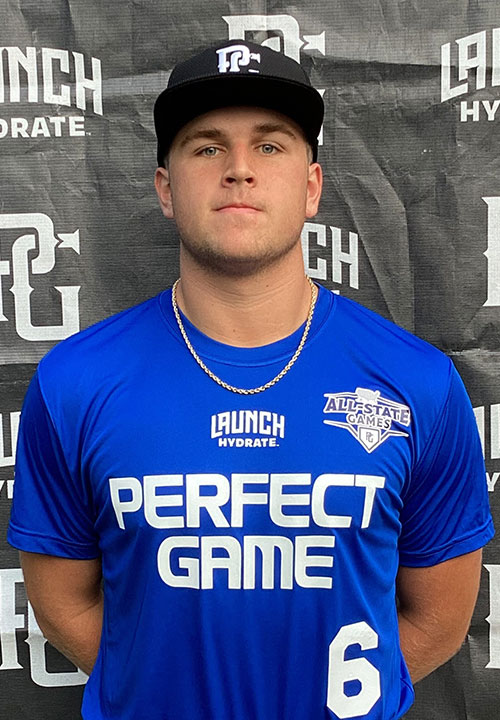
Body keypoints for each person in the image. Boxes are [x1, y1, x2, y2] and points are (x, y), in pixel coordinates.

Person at [8, 40, 494, 720]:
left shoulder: (417, 382)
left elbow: (439, 616)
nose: (239, 169)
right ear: (166, 189)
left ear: (312, 188)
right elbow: (63, 603)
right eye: (207, 147)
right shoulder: (76, 382)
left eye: (269, 146)